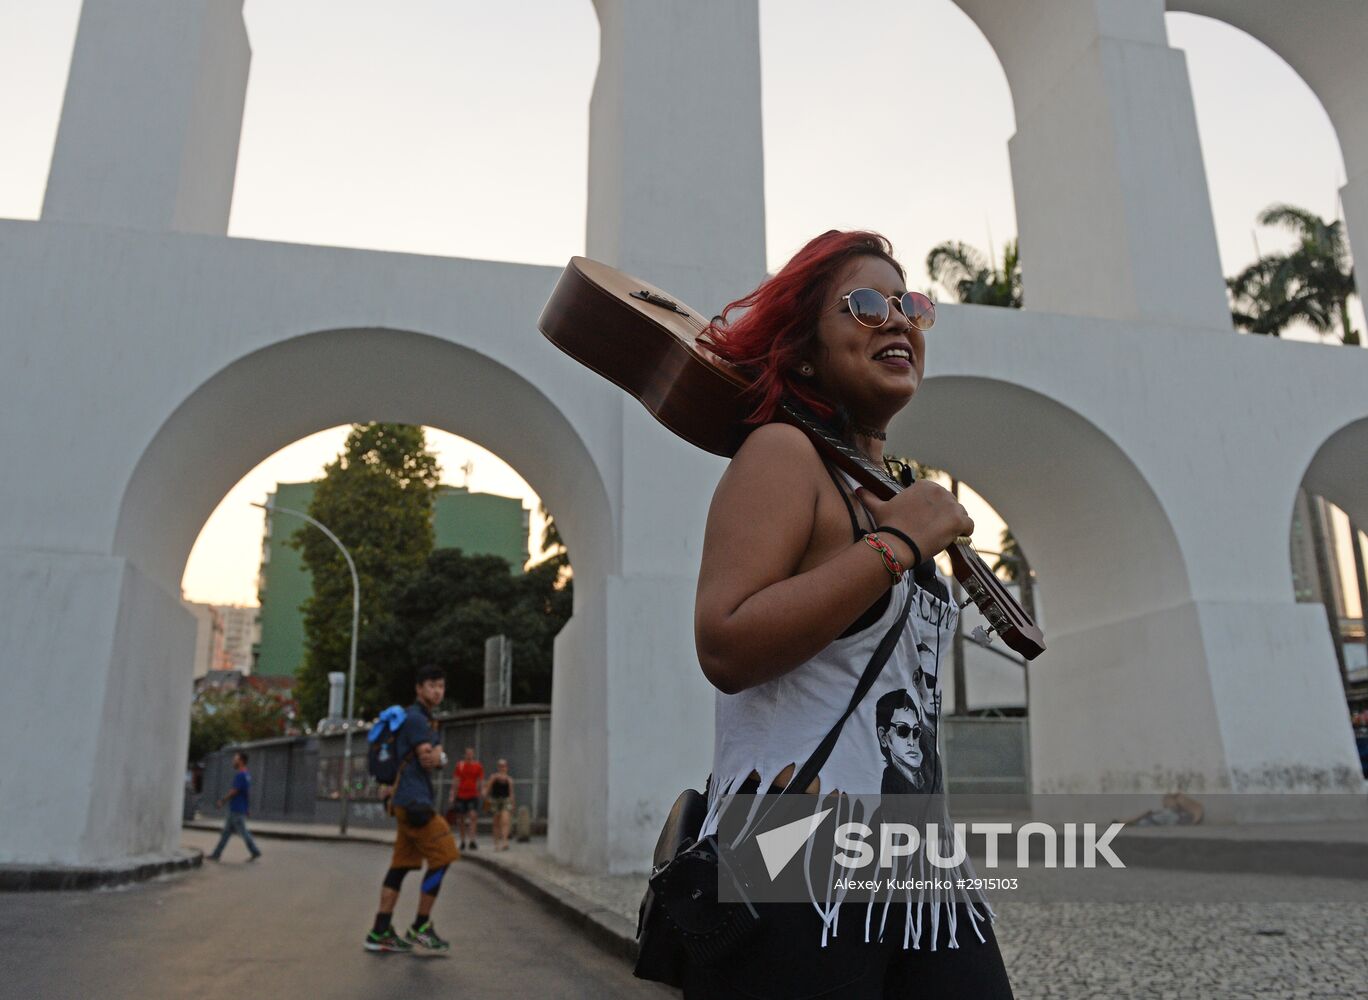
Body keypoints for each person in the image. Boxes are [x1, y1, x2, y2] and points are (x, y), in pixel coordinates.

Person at [688, 231, 1015, 997]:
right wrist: (901, 542)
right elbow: (725, 643)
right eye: (867, 306)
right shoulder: (781, 454)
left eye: (912, 307)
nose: (897, 321)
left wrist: (900, 525)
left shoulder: (887, 485)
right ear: (802, 352)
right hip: (791, 855)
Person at [364, 665, 461, 955]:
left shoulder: (416, 718)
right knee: (444, 856)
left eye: (441, 686)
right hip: (416, 803)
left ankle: (379, 930)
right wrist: (440, 754)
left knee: (401, 866)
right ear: (419, 688)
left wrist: (437, 753)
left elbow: (432, 755)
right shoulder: (418, 720)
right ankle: (420, 927)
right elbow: (429, 759)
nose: (437, 691)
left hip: (403, 803)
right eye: (432, 685)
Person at [207, 751, 261, 862]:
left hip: (236, 809)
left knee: (243, 832)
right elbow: (246, 793)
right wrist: (247, 808)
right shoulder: (247, 775)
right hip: (238, 808)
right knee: (226, 833)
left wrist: (222, 800)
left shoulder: (240, 775)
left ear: (241, 761)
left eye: (235, 759)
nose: (233, 761)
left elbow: (234, 791)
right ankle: (216, 854)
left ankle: (255, 851)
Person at [448, 747, 484, 850]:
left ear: (473, 755)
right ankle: (463, 841)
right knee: (461, 819)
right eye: (467, 754)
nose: (469, 755)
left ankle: (472, 840)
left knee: (473, 816)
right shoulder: (460, 765)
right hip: (460, 795)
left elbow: (480, 780)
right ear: (464, 755)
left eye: (471, 754)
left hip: (473, 795)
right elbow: (456, 780)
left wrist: (481, 791)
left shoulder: (478, 766)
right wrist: (452, 796)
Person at [483, 759, 515, 851]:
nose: (502, 768)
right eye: (500, 766)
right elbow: (488, 789)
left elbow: (511, 793)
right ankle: (496, 843)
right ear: (498, 767)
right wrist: (485, 799)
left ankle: (505, 841)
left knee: (505, 820)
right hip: (495, 800)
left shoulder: (509, 779)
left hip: (505, 800)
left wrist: (513, 804)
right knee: (496, 822)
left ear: (507, 768)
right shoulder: (494, 777)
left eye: (504, 766)